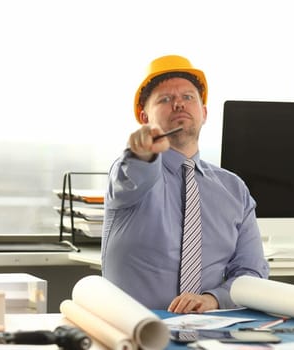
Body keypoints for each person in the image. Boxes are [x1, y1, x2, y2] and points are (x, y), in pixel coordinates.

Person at [101, 55, 269, 313]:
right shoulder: (131, 173)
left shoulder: (234, 189)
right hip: (135, 331)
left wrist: (213, 299)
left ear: (203, 112)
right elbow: (135, 175)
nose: (178, 104)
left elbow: (252, 272)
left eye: (189, 97)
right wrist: (142, 152)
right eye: (165, 99)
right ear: (145, 117)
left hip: (212, 330)